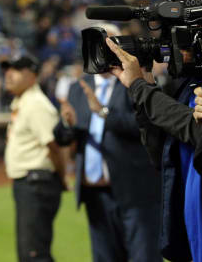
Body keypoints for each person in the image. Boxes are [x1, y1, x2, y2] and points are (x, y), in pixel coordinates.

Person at [54, 24, 162, 262]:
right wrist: (67, 124)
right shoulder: (77, 88)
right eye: (95, 44)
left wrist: (103, 112)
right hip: (95, 193)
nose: (101, 49)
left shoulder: (137, 82)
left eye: (108, 42)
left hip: (136, 192)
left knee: (143, 256)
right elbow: (62, 137)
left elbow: (150, 126)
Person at [105, 38, 202, 262]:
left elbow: (195, 130)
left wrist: (140, 88)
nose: (176, 51)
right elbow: (161, 152)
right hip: (192, 223)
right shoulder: (189, 85)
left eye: (183, 42)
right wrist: (146, 84)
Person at [2, 54, 66, 262]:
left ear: (32, 76)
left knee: (34, 254)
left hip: (37, 183)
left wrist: (61, 176)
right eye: (8, 69)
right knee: (30, 253)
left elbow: (54, 146)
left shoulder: (36, 103)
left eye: (17, 70)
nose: (9, 74)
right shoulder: (22, 101)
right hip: (30, 183)